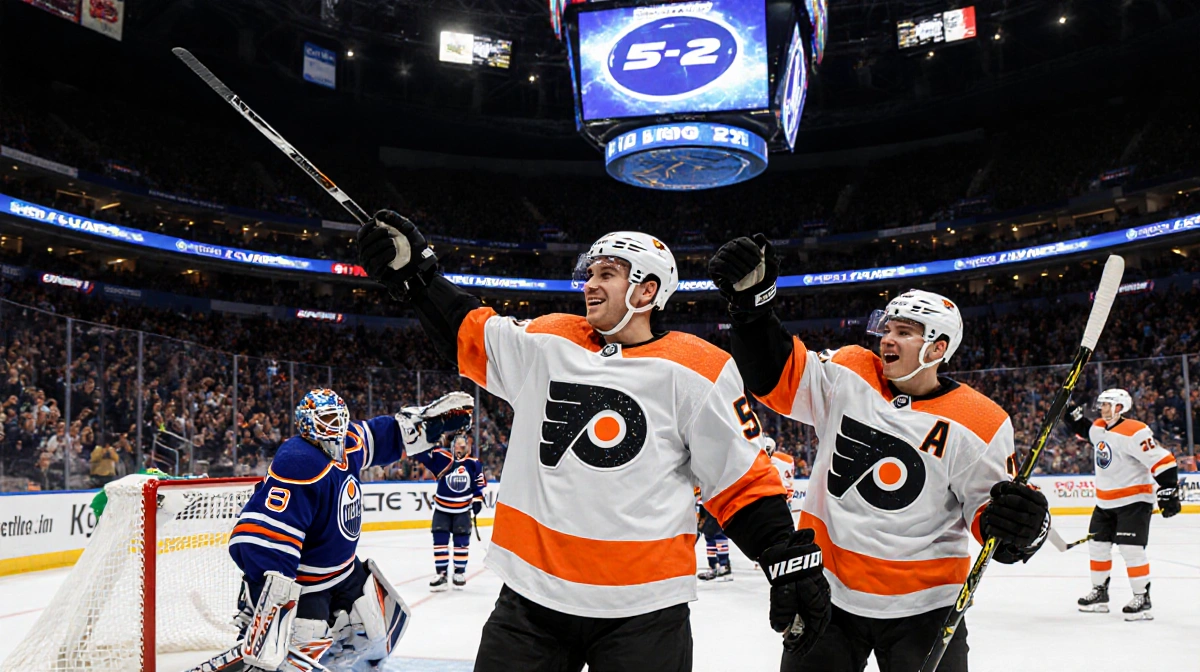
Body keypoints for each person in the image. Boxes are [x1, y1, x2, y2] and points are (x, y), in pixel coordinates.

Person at [358, 214, 831, 672]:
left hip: (646, 611)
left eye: (607, 274)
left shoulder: (699, 369)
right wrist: (420, 277)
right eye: (589, 274)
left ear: (647, 291)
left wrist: (783, 556)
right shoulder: (549, 340)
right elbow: (468, 331)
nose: (590, 284)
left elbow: (740, 481)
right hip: (531, 601)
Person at [707, 235, 1052, 672]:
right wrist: (753, 309)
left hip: (925, 609)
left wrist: (1024, 529)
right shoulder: (850, 370)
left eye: (903, 332)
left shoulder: (982, 420)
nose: (887, 339)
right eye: (886, 329)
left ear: (938, 348)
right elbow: (774, 375)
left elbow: (991, 520)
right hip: (827, 592)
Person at [200, 388, 473, 672]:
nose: (337, 427)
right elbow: (264, 535)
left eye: (339, 418)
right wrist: (272, 599)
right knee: (301, 647)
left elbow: (377, 436)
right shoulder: (299, 460)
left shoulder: (349, 443)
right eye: (328, 419)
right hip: (307, 586)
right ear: (307, 423)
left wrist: (420, 426)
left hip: (344, 572)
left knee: (375, 626)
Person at [1063, 388, 1180, 620]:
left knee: (1131, 549)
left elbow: (1162, 459)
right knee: (1097, 546)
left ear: (1120, 407)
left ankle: (1142, 597)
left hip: (1134, 502)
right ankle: (1099, 593)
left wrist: (1168, 489)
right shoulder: (1099, 427)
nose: (1103, 409)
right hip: (1104, 502)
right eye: (1102, 405)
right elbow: (1086, 430)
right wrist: (1070, 413)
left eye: (1107, 405)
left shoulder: (1136, 431)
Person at [409, 435, 486, 591]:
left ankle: (459, 572)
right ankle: (442, 574)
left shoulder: (473, 464)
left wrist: (477, 499)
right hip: (442, 509)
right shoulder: (443, 460)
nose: (461, 448)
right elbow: (424, 457)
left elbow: (478, 484)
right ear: (453, 446)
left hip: (462, 510)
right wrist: (422, 442)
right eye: (458, 445)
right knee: (440, 541)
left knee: (461, 541)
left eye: (464, 445)